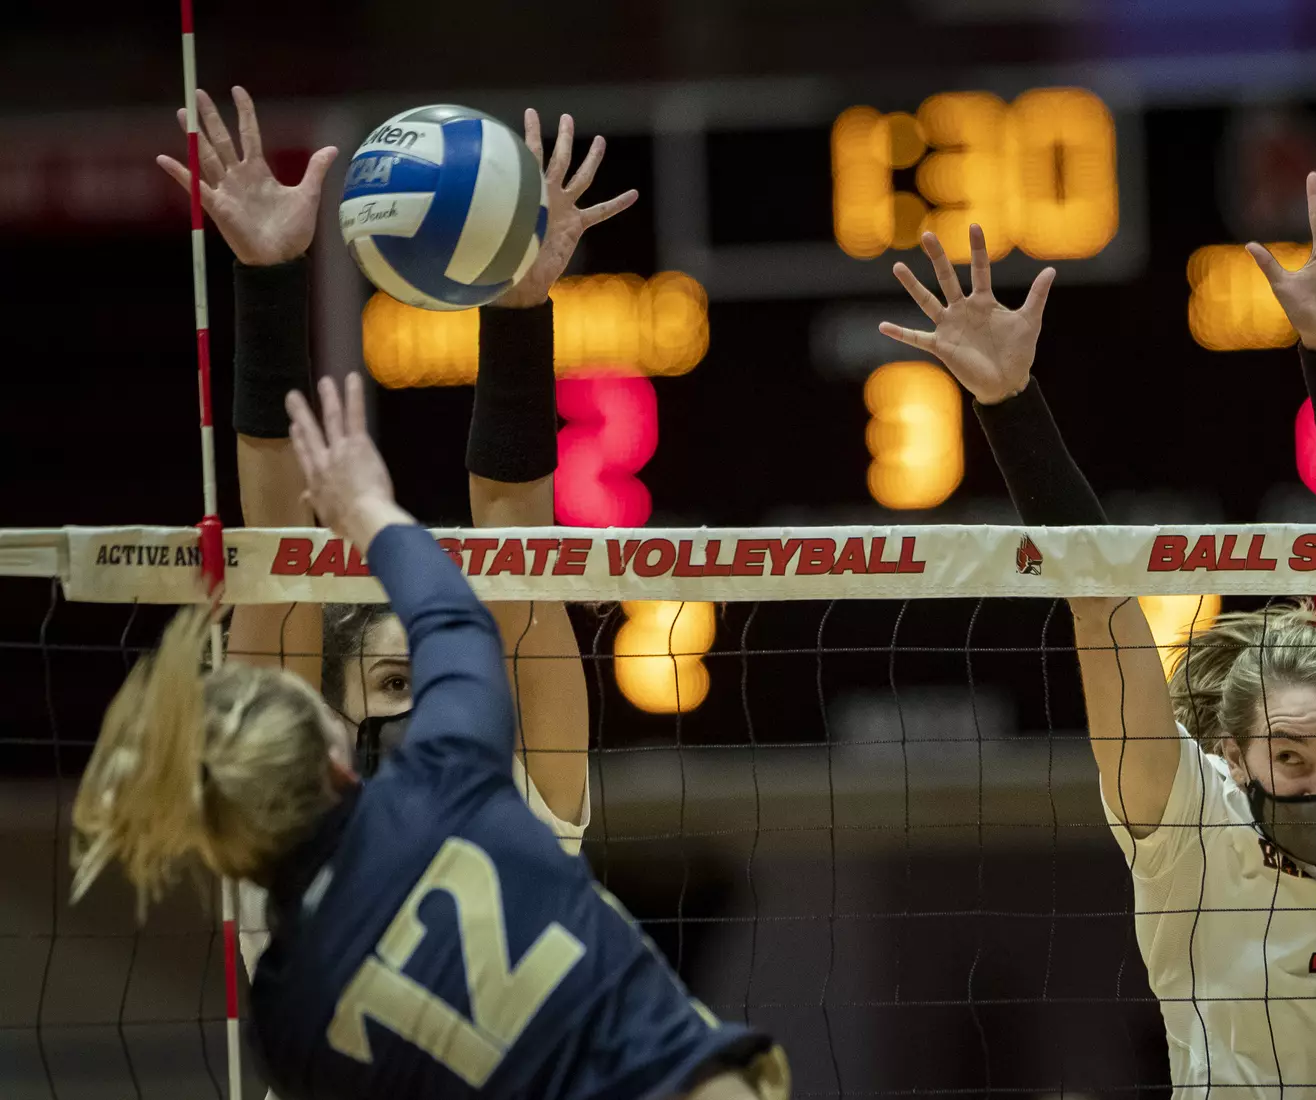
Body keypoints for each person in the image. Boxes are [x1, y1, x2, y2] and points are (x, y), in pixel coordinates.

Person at [70, 371, 790, 1100]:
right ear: (334, 744)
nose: (426, 701)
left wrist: (276, 292)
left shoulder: (288, 998)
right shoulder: (458, 783)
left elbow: (516, 552)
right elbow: (304, 579)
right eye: (393, 683)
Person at [880, 172, 1316, 1097]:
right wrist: (1010, 404)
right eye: (1291, 758)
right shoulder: (1188, 822)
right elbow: (1101, 600)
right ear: (1230, 752)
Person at [155, 87, 630, 978]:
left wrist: (519, 302)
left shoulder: (523, 820)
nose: (439, 693)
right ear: (324, 727)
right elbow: (278, 548)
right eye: (401, 678)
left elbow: (512, 534)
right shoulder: (277, 838)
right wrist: (267, 279)